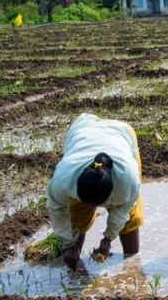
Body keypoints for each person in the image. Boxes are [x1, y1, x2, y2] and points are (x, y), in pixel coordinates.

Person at [47, 113, 143, 270]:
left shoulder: (128, 180)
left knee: (130, 219)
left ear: (110, 193)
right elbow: (57, 208)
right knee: (76, 217)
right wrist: (68, 245)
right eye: (87, 202)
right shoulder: (64, 178)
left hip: (121, 134)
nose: (92, 208)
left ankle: (132, 267)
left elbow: (122, 210)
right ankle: (75, 269)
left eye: (95, 204)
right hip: (83, 131)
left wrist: (107, 240)